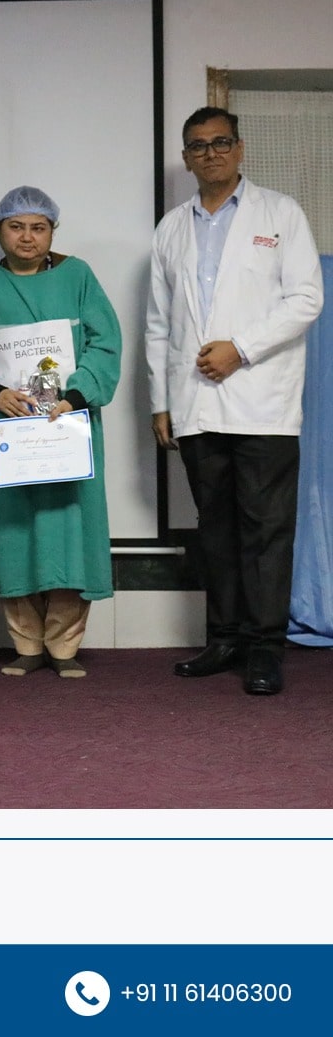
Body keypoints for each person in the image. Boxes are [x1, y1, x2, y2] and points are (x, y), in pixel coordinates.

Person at [146, 106, 323, 696]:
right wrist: (160, 399)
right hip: (195, 404)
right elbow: (157, 323)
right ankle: (223, 638)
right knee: (215, 528)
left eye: (221, 142)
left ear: (240, 149)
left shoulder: (281, 214)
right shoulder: (172, 228)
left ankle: (265, 648)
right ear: (186, 157)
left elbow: (305, 300)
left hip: (263, 400)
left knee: (266, 529)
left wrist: (240, 349)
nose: (210, 153)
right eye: (197, 145)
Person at [0, 186, 121, 678]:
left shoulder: (78, 277)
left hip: (66, 424)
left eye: (38, 227)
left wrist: (75, 395)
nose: (27, 237)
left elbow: (106, 344)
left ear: (52, 232)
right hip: (7, 432)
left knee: (69, 529)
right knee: (14, 532)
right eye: (16, 226)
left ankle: (65, 646)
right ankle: (26, 644)